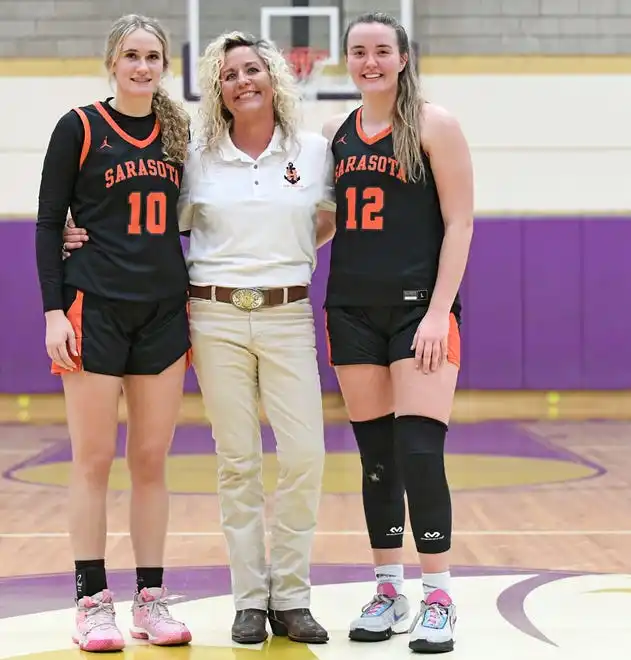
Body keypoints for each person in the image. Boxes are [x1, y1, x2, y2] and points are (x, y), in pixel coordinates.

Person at [63, 30, 334, 646]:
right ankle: (248, 600)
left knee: (303, 457)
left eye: (253, 70)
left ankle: (289, 595)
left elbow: (331, 217)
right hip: (212, 316)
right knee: (237, 462)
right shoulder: (197, 155)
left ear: (275, 77)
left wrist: (284, 255)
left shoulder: (315, 151)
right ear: (218, 88)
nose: (243, 81)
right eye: (230, 74)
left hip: (287, 314)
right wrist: (71, 231)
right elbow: (148, 214)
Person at [36, 14, 193, 653]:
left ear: (164, 65)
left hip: (161, 312)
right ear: (112, 61)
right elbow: (49, 224)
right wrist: (52, 312)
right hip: (93, 308)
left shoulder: (179, 136)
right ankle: (90, 601)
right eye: (131, 55)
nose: (143, 66)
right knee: (93, 460)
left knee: (151, 462)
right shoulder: (78, 127)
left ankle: (150, 600)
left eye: (153, 56)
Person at [321, 11, 473, 654]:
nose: (371, 61)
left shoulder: (434, 125)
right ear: (347, 61)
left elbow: (460, 224)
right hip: (350, 309)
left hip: (420, 312)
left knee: (418, 453)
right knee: (377, 460)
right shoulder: (333, 133)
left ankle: (438, 597)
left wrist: (439, 311)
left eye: (382, 50)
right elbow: (323, 224)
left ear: (403, 57)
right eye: (359, 52)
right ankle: (388, 591)